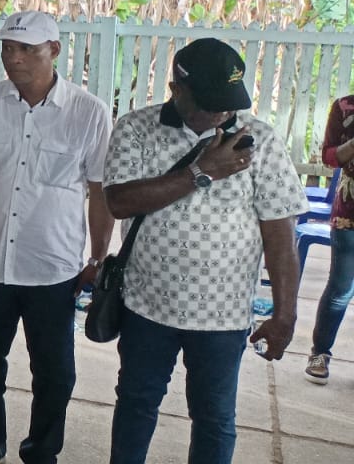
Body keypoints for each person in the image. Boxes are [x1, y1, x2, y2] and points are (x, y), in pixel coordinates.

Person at [105, 38, 306, 464]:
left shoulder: (260, 140)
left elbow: (280, 232)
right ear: (177, 90)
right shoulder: (136, 128)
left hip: (224, 316)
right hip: (147, 308)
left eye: (229, 103)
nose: (222, 113)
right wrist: (202, 172)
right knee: (136, 404)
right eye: (211, 102)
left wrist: (285, 314)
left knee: (214, 418)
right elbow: (120, 201)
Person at [0, 12, 112, 464]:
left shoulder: (88, 112)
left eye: (26, 50)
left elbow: (99, 192)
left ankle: (41, 452)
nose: (13, 59)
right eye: (7, 49)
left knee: (54, 372)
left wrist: (98, 257)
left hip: (53, 267)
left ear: (53, 50)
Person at [307, 93, 354, 383]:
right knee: (340, 287)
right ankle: (320, 353)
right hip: (350, 211)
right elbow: (328, 157)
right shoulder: (344, 106)